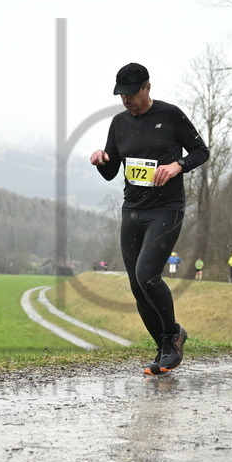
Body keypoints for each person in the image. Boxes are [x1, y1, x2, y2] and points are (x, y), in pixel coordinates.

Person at [90, 62, 209, 374]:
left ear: (147, 88)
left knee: (148, 276)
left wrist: (178, 165)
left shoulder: (170, 115)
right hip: (132, 210)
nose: (126, 99)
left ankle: (173, 336)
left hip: (166, 209)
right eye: (121, 94)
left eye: (131, 93)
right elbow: (111, 170)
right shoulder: (119, 123)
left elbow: (201, 151)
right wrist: (101, 160)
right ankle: (163, 349)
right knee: (136, 286)